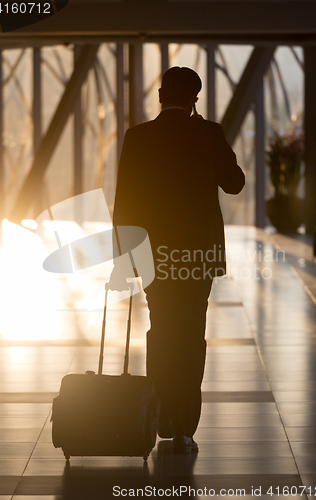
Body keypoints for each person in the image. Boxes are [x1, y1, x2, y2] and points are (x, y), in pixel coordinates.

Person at [110, 67, 245, 453]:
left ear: (160, 95)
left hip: (155, 256)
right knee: (190, 336)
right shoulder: (208, 134)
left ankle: (161, 416)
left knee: (162, 331)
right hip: (197, 256)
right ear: (194, 100)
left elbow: (126, 201)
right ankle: (185, 426)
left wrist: (125, 260)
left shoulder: (138, 137)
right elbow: (234, 182)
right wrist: (211, 136)